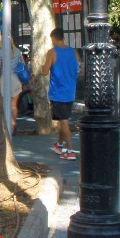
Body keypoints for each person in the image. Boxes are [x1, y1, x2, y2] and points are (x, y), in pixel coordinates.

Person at [42, 27, 80, 161]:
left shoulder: (52, 52)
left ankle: (70, 150)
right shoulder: (73, 52)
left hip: (58, 92)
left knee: (63, 121)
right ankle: (59, 144)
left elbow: (45, 72)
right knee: (64, 119)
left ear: (53, 38)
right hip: (71, 91)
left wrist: (44, 66)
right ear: (63, 37)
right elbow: (79, 69)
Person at [0, 35, 23, 135]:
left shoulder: (0, 52)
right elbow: (21, 65)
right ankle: (12, 126)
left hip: (4, 79)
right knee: (13, 105)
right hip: (15, 79)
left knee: (4, 104)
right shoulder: (17, 52)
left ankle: (11, 122)